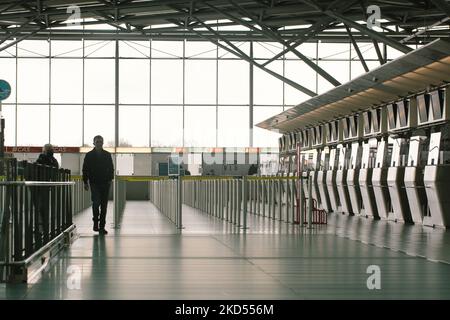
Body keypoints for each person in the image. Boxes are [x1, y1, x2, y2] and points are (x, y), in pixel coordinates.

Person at [82, 135, 114, 235]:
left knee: (104, 205)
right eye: (97, 141)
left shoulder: (107, 155)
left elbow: (111, 168)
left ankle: (101, 227)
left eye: (100, 141)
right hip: (94, 182)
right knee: (96, 203)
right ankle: (95, 222)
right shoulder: (89, 155)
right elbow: (85, 169)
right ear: (94, 143)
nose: (99, 143)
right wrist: (85, 182)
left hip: (105, 182)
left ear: (103, 143)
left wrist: (110, 179)